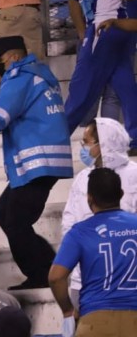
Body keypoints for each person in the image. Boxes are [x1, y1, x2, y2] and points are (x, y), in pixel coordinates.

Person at [0, 36, 73, 290]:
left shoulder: (22, 77)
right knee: (5, 213)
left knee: (16, 221)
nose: (1, 66)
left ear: (16, 56)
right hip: (44, 160)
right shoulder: (40, 75)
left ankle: (44, 275)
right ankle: (48, 269)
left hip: (38, 161)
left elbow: (0, 111)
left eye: (2, 60)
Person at [49, 168, 137, 337]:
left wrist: (67, 311)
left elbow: (56, 277)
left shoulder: (80, 232)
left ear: (90, 199)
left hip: (95, 321)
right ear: (121, 194)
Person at [62, 118, 137, 312]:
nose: (83, 147)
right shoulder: (82, 179)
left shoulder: (134, 175)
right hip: (86, 279)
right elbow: (69, 221)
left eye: (86, 142)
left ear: (103, 144)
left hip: (128, 279)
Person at [62, 0, 137, 151]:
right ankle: (135, 138)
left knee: (81, 87)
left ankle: (55, 138)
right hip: (118, 27)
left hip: (105, 27)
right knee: (124, 83)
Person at [51, 0, 122, 127]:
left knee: (112, 92)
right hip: (94, 36)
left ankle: (107, 138)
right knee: (88, 91)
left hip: (117, 36)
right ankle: (85, 133)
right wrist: (83, 33)